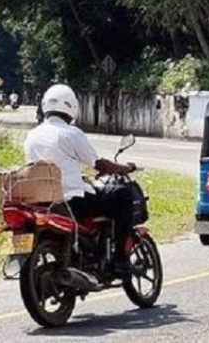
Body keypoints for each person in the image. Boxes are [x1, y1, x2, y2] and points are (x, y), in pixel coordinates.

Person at [24, 83, 136, 274]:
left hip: (42, 201)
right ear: (71, 106)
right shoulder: (71, 133)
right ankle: (120, 259)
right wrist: (125, 167)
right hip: (72, 201)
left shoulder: (32, 135)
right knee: (123, 195)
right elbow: (99, 164)